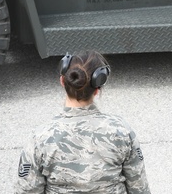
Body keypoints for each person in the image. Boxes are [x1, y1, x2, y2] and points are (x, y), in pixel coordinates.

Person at [15, 51, 150, 193]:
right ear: (97, 90)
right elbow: (139, 188)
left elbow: (27, 190)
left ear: (62, 81)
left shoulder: (40, 138)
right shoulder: (121, 131)